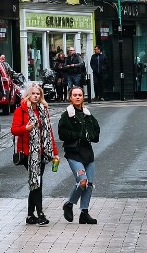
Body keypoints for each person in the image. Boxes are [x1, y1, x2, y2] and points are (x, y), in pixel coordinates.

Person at [11, 83, 59, 226]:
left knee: (36, 182)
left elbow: (49, 133)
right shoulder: (21, 111)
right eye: (33, 93)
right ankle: (40, 214)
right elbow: (14, 130)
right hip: (28, 153)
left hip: (43, 152)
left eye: (38, 94)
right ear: (28, 95)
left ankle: (30, 215)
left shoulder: (44, 110)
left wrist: (54, 153)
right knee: (36, 181)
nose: (36, 96)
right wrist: (25, 128)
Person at [59, 86, 101, 225]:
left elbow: (96, 130)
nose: (77, 97)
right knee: (82, 181)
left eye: (80, 95)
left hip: (88, 154)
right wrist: (79, 136)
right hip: (74, 153)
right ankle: (69, 204)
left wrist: (91, 136)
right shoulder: (67, 115)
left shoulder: (88, 115)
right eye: (75, 95)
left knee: (89, 184)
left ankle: (84, 213)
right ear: (70, 97)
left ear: (83, 97)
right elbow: (62, 133)